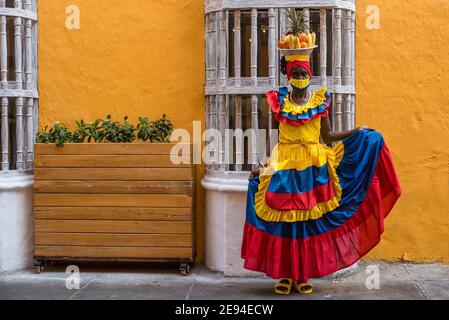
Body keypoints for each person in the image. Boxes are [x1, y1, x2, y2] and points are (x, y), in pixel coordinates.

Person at [241, 50, 402, 295]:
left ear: (309, 74)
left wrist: (356, 130)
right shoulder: (279, 100)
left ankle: (303, 274)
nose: (299, 76)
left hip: (314, 166)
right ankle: (285, 274)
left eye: (303, 73)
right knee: (285, 221)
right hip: (284, 164)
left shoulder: (319, 101)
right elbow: (271, 137)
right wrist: (263, 165)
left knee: (308, 221)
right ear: (288, 74)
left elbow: (327, 136)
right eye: (295, 73)